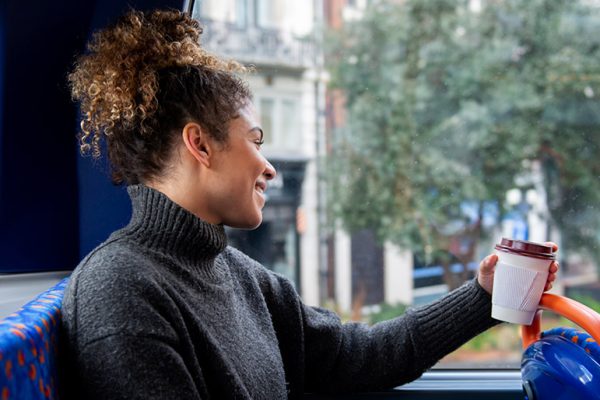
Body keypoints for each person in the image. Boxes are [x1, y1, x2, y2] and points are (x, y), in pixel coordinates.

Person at [60, 9, 559, 400]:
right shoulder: (120, 290)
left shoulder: (241, 276)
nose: (269, 167)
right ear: (201, 145)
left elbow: (361, 355)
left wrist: (484, 295)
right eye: (255, 140)